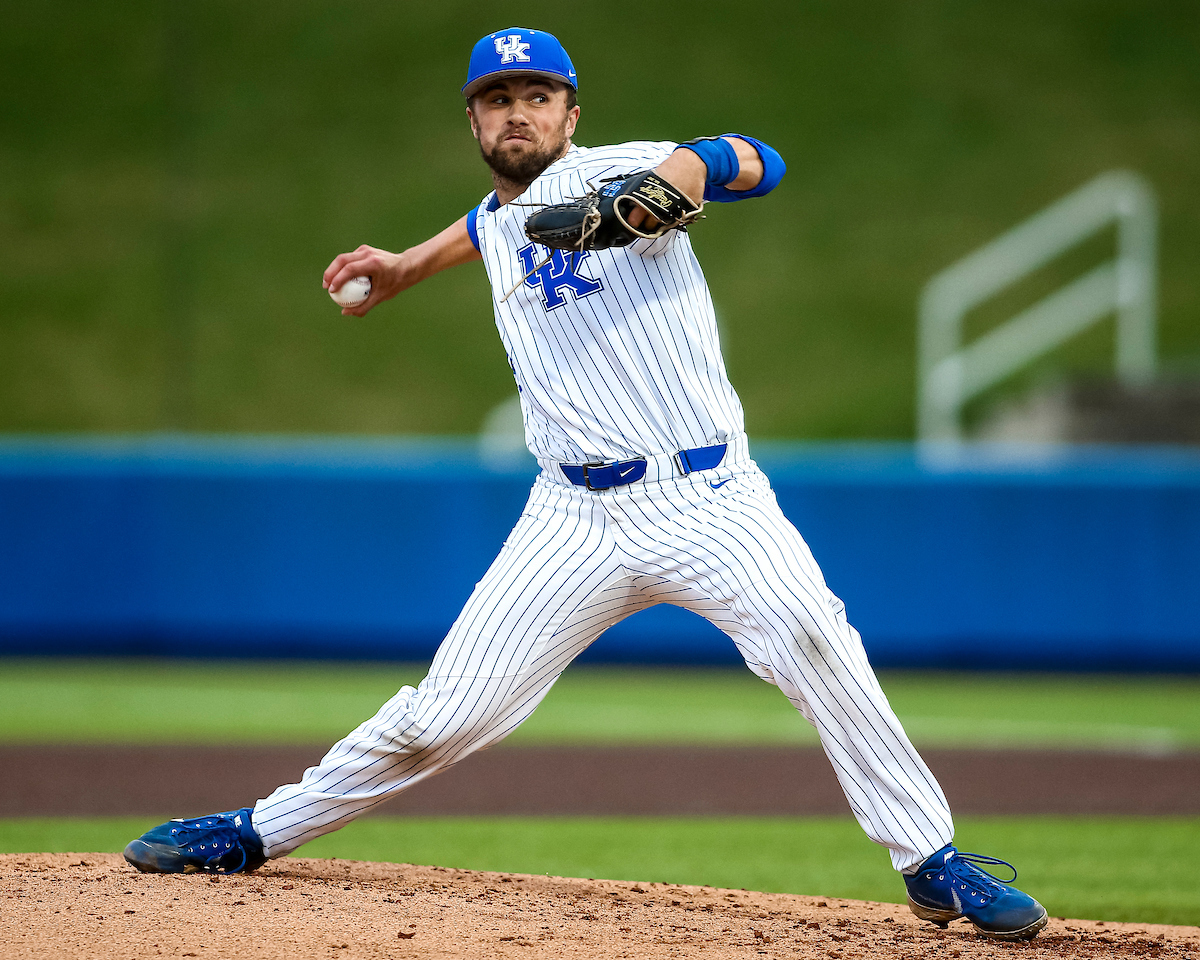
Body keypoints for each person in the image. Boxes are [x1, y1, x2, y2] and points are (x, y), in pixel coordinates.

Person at [124, 27, 1048, 941]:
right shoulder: (496, 216)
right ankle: (254, 834)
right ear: (475, 124)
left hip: (708, 500)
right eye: (497, 99)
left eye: (536, 96)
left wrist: (677, 182)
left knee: (816, 640)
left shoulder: (619, 170)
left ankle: (932, 862)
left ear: (572, 114)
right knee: (442, 718)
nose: (517, 112)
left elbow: (752, 159)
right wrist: (406, 266)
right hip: (571, 516)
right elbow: (490, 228)